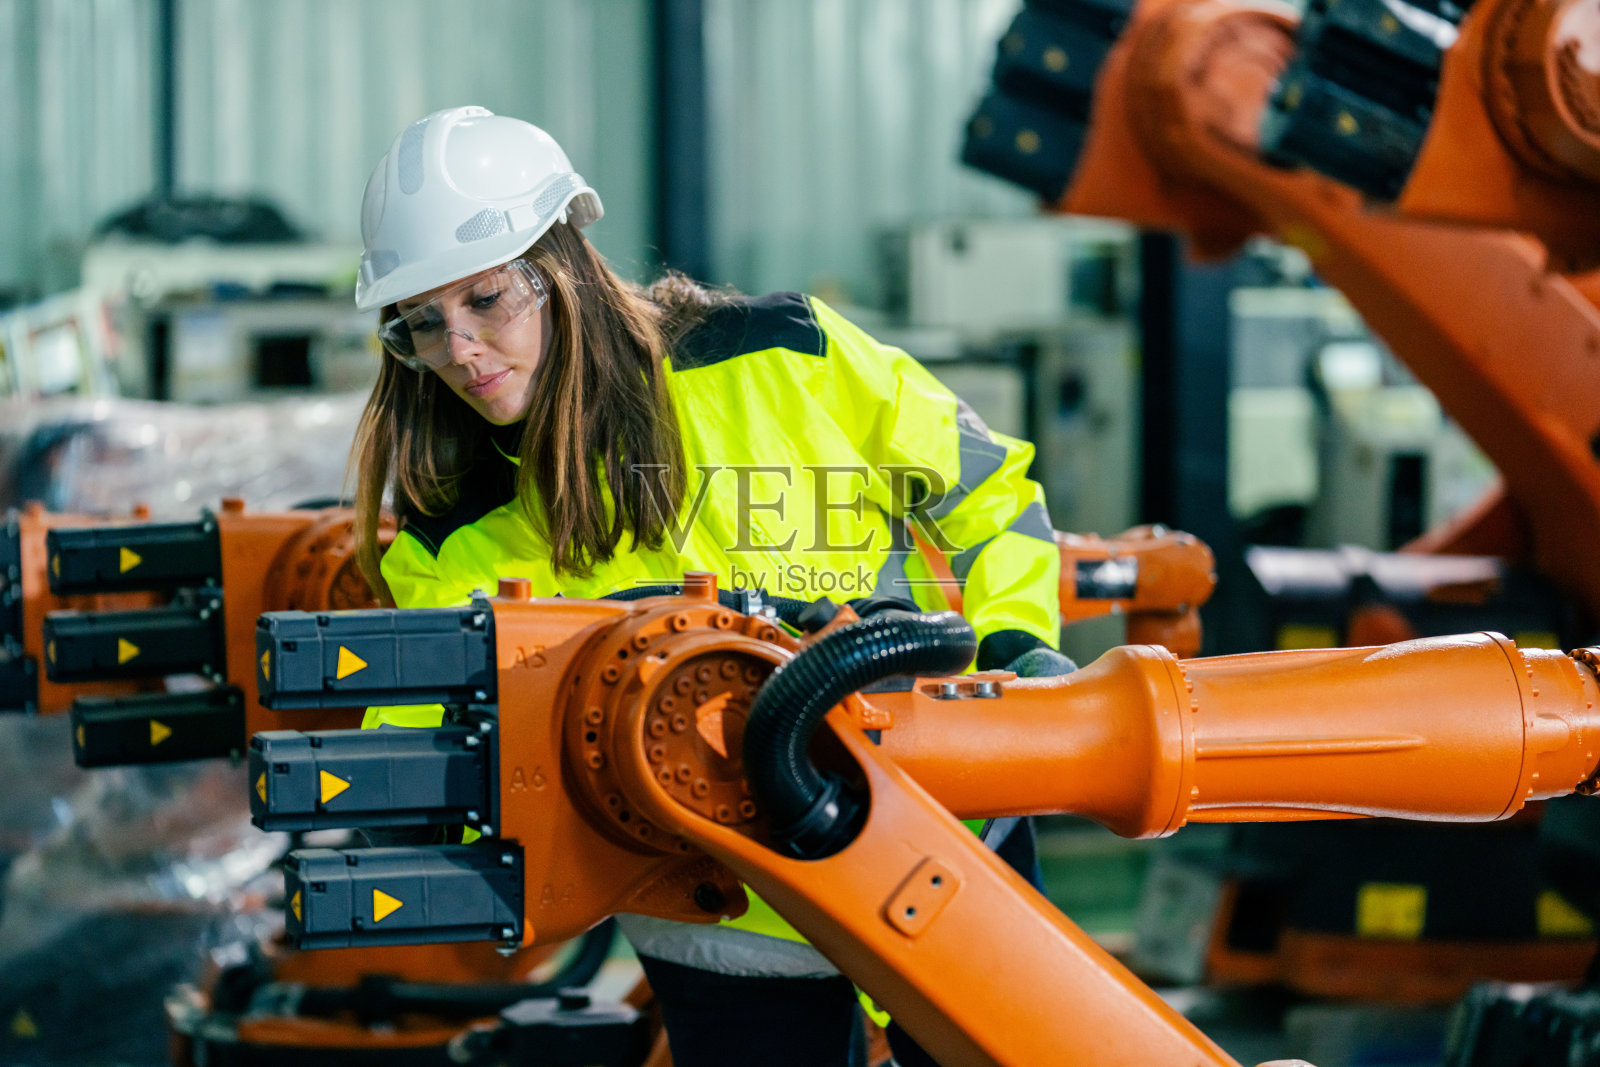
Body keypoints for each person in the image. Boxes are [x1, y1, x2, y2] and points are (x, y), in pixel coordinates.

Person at [349, 105, 1074, 1067]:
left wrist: (1016, 645)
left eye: (486, 300)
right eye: (423, 326)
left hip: (934, 836)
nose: (462, 350)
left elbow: (986, 485)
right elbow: (424, 733)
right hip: (717, 910)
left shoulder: (784, 354)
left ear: (560, 266)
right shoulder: (460, 516)